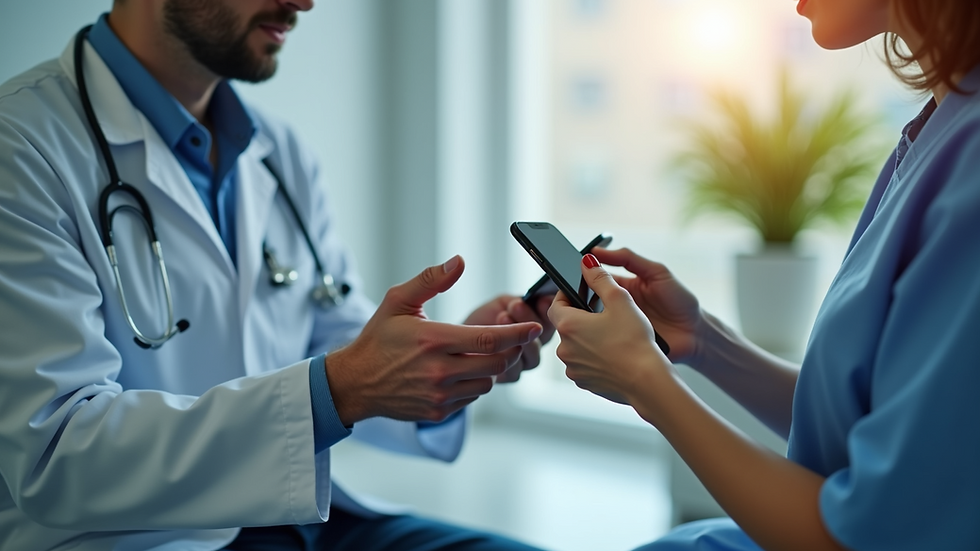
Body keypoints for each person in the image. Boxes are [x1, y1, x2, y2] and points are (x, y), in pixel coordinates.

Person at [0, 1, 556, 550]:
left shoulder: (277, 150)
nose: (304, 2)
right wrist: (340, 389)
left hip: (304, 514)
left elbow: (334, 339)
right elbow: (55, 452)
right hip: (135, 538)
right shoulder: (20, 147)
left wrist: (444, 358)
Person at [548, 0, 980, 549]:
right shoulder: (941, 126)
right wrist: (704, 341)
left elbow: (866, 538)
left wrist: (642, 379)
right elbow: (869, 423)